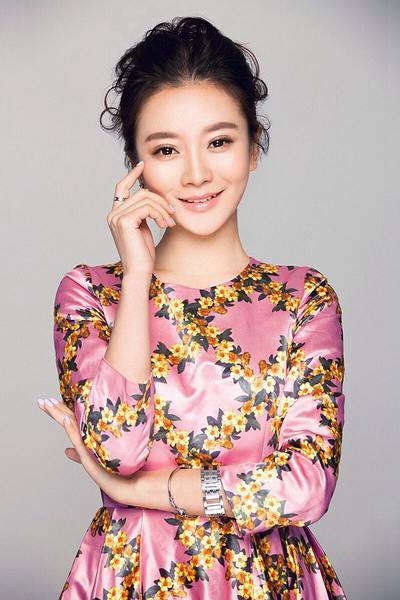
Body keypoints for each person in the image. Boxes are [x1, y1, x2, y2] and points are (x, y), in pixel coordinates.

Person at [38, 16, 347, 599]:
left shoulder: (304, 298)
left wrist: (138, 493)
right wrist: (137, 277)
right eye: (166, 149)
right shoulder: (90, 293)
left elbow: (307, 488)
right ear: (136, 166)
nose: (198, 173)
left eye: (219, 141)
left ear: (254, 147)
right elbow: (117, 449)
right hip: (136, 573)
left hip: (267, 579)